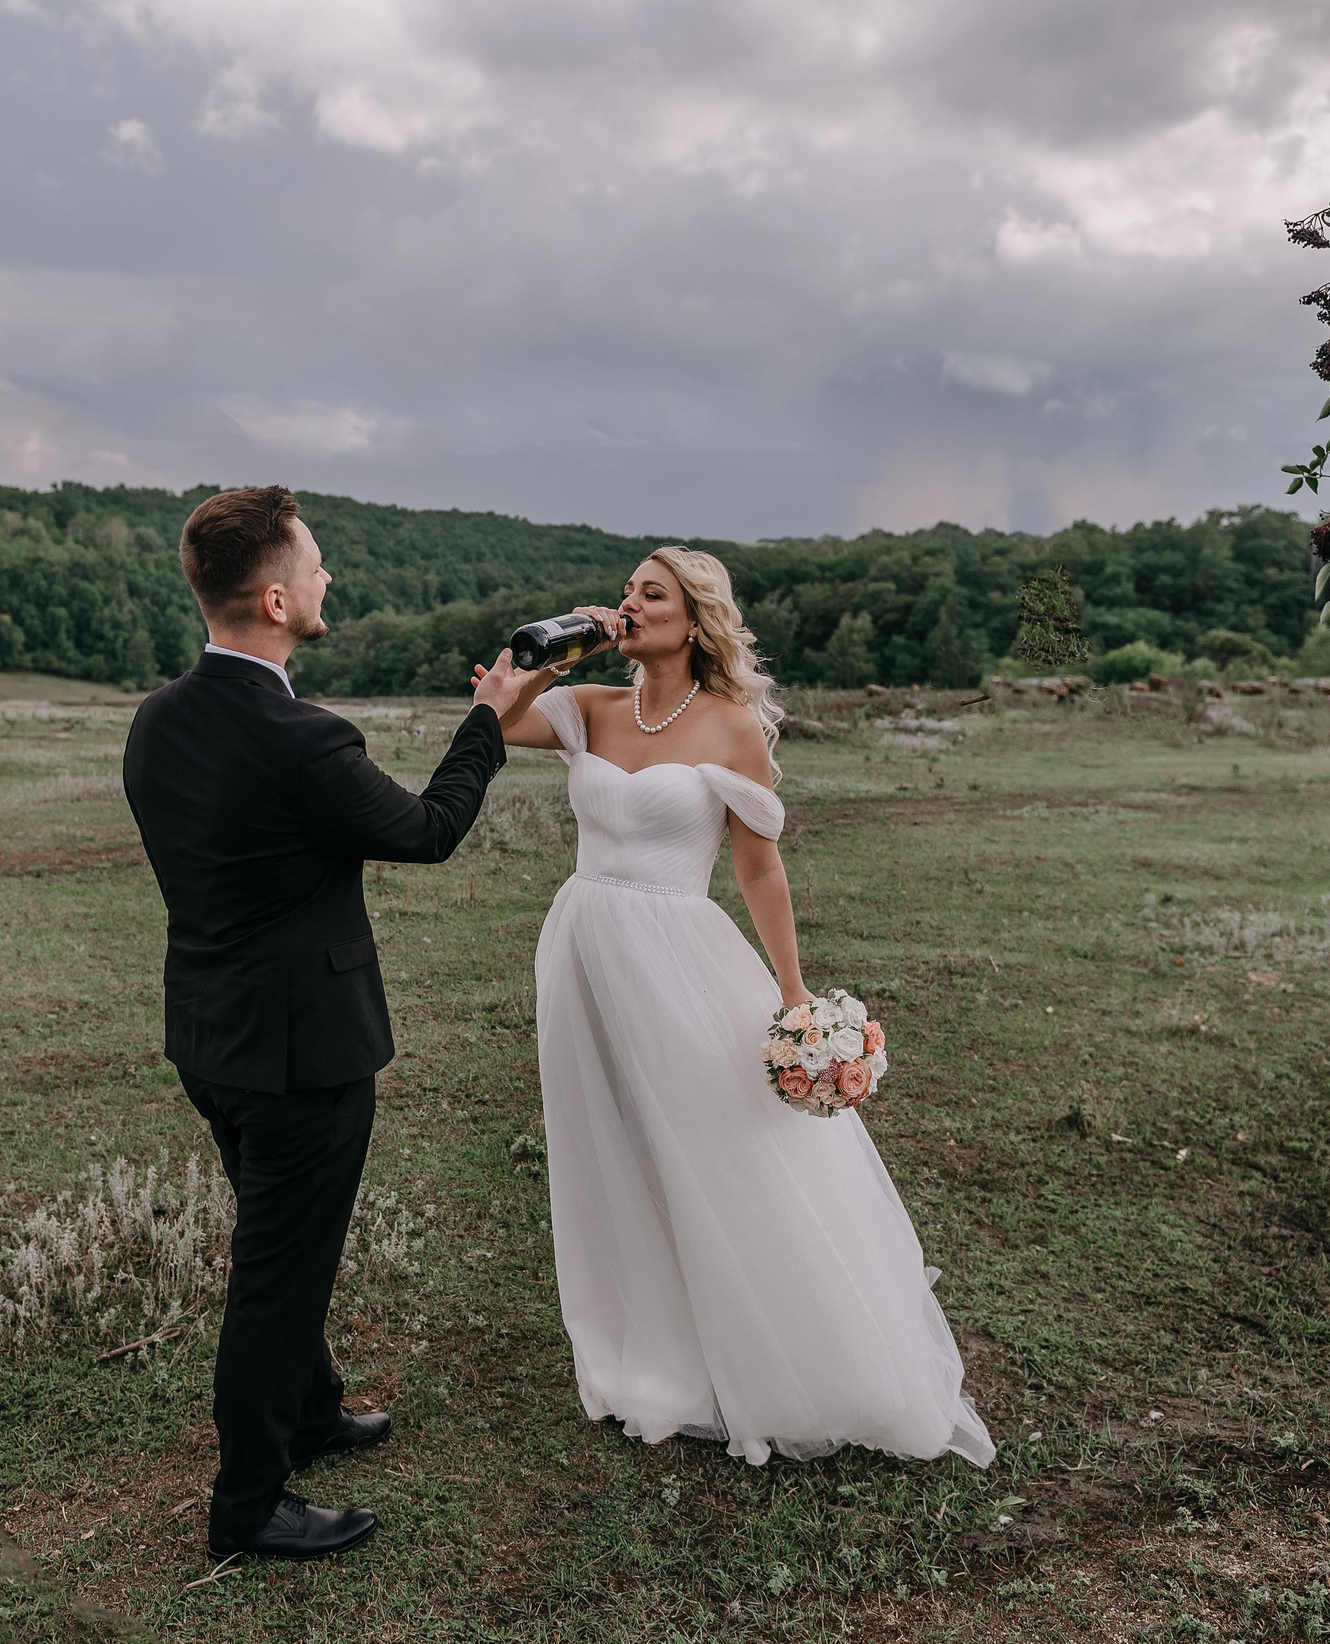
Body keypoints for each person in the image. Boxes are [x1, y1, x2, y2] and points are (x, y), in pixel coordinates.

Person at [486, 547, 995, 1469]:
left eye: (652, 594)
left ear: (696, 618)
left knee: (714, 1146)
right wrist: (569, 648)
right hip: (584, 945)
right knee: (610, 1142)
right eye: (627, 591)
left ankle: (777, 1353)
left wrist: (795, 994)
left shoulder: (732, 726)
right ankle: (655, 1354)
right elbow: (489, 721)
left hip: (680, 954)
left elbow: (759, 867)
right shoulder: (592, 707)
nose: (630, 604)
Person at [123, 485, 554, 1562]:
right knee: (278, 1279)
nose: (327, 583)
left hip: (208, 1040)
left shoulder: (158, 719)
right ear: (273, 599)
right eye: (314, 569)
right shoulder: (302, 740)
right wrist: (486, 720)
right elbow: (426, 829)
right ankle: (248, 1505)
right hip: (302, 1056)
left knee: (282, 1247)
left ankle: (310, 1414)